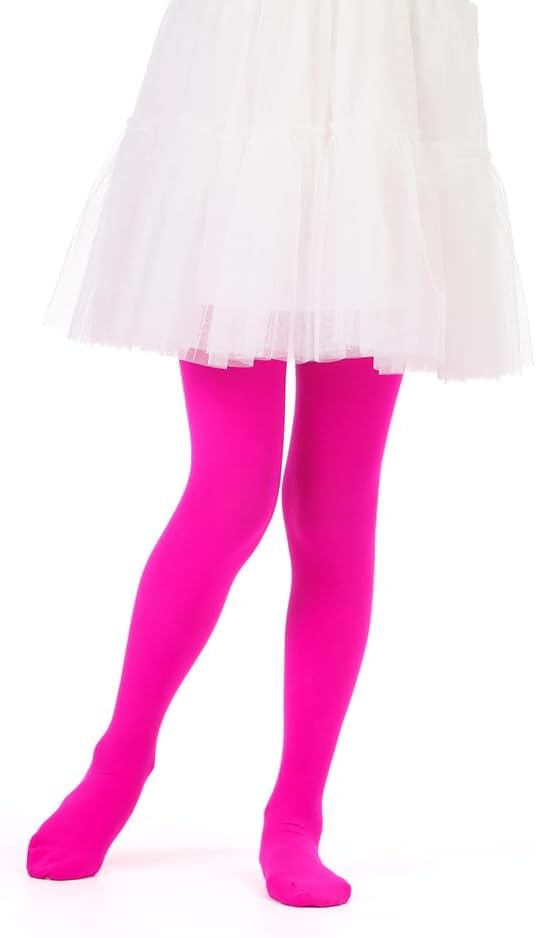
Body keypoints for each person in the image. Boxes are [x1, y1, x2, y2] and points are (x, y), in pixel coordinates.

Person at [27, 0, 533, 909]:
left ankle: (296, 810)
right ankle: (119, 763)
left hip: (389, 86)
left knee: (337, 506)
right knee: (231, 489)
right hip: (246, 77)